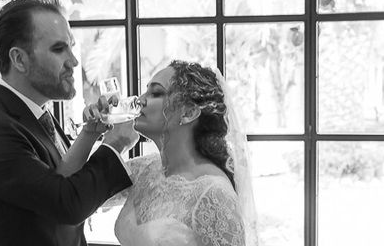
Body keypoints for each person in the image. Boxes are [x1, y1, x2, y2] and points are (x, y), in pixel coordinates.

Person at [0, 0, 137, 246]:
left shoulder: (34, 114)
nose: (74, 61)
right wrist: (115, 145)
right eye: (59, 49)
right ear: (19, 59)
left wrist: (90, 133)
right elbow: (66, 204)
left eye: (71, 47)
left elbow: (59, 180)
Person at [59, 60, 257, 246]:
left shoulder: (214, 194)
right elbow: (66, 194)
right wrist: (89, 133)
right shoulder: (145, 170)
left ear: (188, 112)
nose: (140, 100)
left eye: (155, 93)